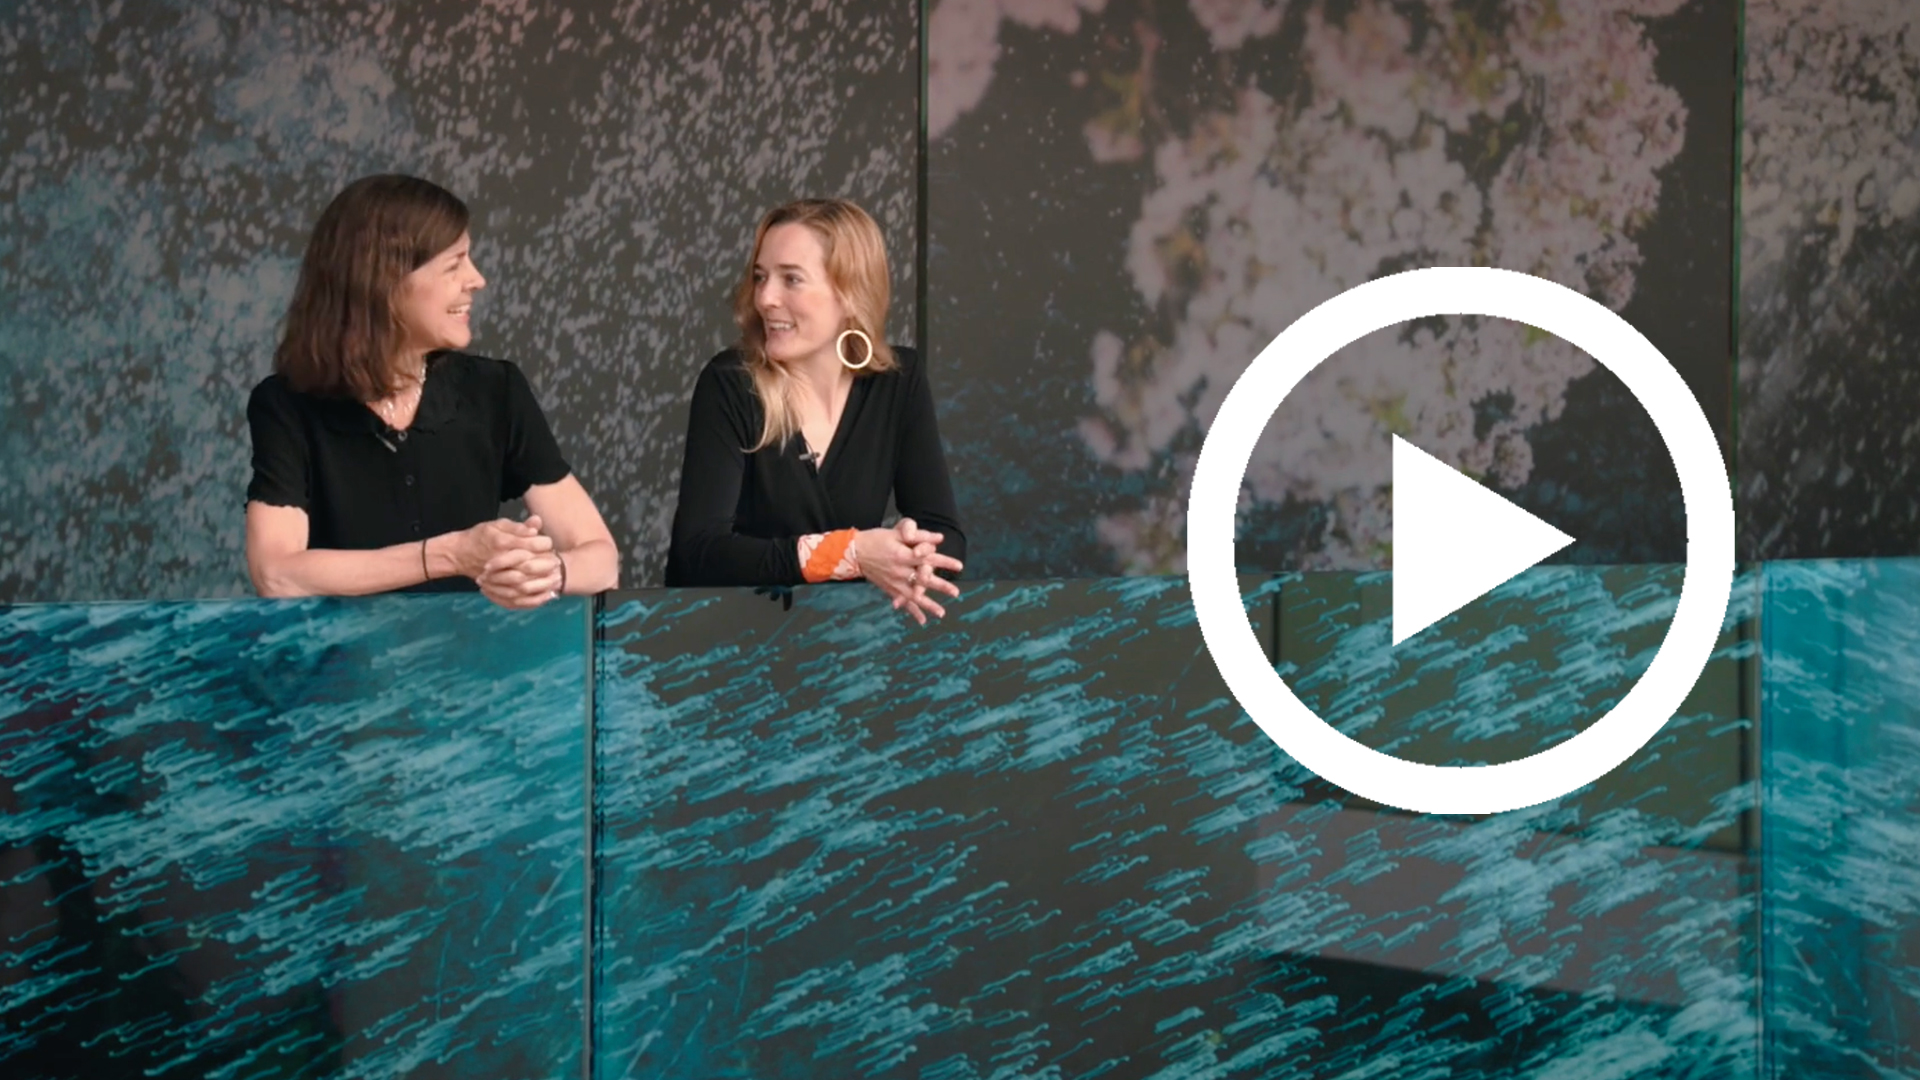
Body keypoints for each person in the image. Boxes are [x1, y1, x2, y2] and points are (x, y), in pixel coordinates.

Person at [244, 174, 617, 607]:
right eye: (454, 264)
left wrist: (546, 573)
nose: (477, 280)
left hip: (475, 668)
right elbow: (276, 575)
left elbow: (601, 558)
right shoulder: (285, 406)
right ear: (384, 282)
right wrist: (451, 554)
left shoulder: (496, 390)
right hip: (345, 671)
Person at [664, 198, 965, 623]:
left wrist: (908, 553)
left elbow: (946, 537)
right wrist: (850, 554)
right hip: (729, 652)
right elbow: (698, 554)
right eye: (760, 277)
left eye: (791, 279)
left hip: (841, 654)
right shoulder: (730, 382)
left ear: (850, 294)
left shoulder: (898, 379)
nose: (765, 298)